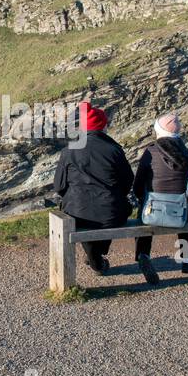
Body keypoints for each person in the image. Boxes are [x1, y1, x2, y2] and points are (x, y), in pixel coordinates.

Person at [53, 101, 134, 274]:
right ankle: (97, 255)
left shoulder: (70, 150)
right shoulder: (114, 150)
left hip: (77, 212)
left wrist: (72, 196)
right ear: (103, 126)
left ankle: (95, 256)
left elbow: (58, 185)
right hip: (110, 212)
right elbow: (128, 181)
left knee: (83, 215)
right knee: (116, 211)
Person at [132, 112, 188, 285]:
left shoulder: (151, 152)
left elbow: (138, 186)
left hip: (153, 209)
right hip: (180, 211)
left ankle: (143, 255)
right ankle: (186, 260)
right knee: (185, 212)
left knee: (144, 216)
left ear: (158, 130)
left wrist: (142, 198)